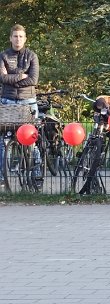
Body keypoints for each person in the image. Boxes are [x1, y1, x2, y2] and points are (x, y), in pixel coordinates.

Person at [0, 24, 41, 184]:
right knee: (3, 141)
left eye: (21, 36)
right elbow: (2, 79)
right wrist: (20, 76)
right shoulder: (3, 56)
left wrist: (11, 78)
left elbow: (33, 80)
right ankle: (2, 177)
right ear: (10, 38)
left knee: (31, 140)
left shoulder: (32, 56)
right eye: (15, 36)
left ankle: (36, 174)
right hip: (7, 102)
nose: (18, 39)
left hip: (27, 102)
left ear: (25, 38)